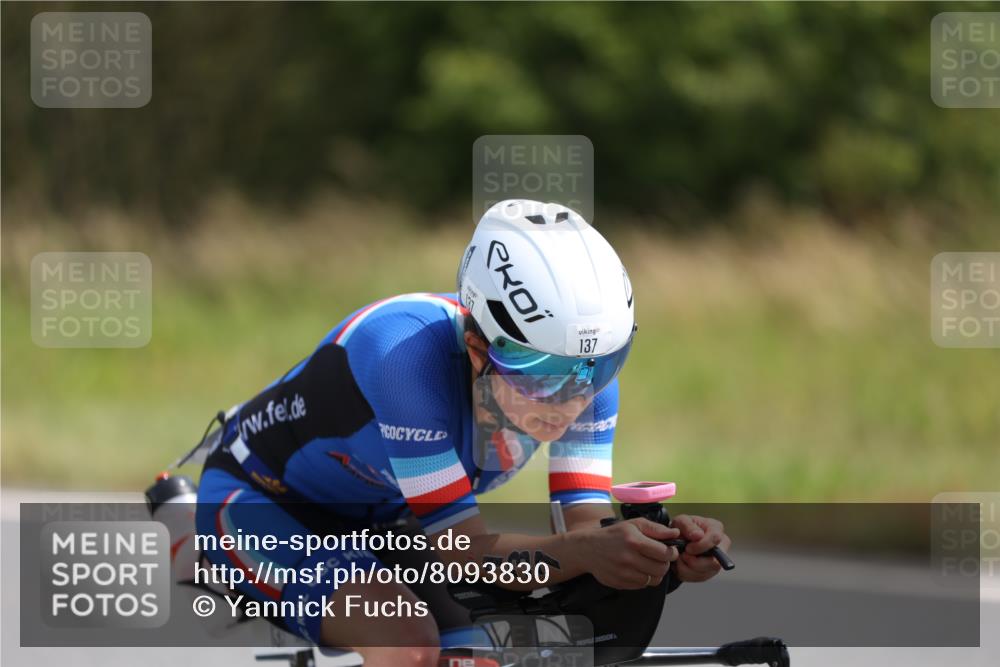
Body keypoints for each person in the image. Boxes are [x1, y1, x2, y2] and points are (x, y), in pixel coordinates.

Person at [195, 199, 732, 667]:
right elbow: (463, 551)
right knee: (405, 642)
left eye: (602, 367)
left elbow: (582, 529)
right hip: (263, 502)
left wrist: (655, 556)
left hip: (386, 517)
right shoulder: (403, 358)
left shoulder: (585, 380)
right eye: (544, 379)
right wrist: (590, 550)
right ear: (480, 352)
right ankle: (188, 540)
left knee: (477, 651)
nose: (571, 401)